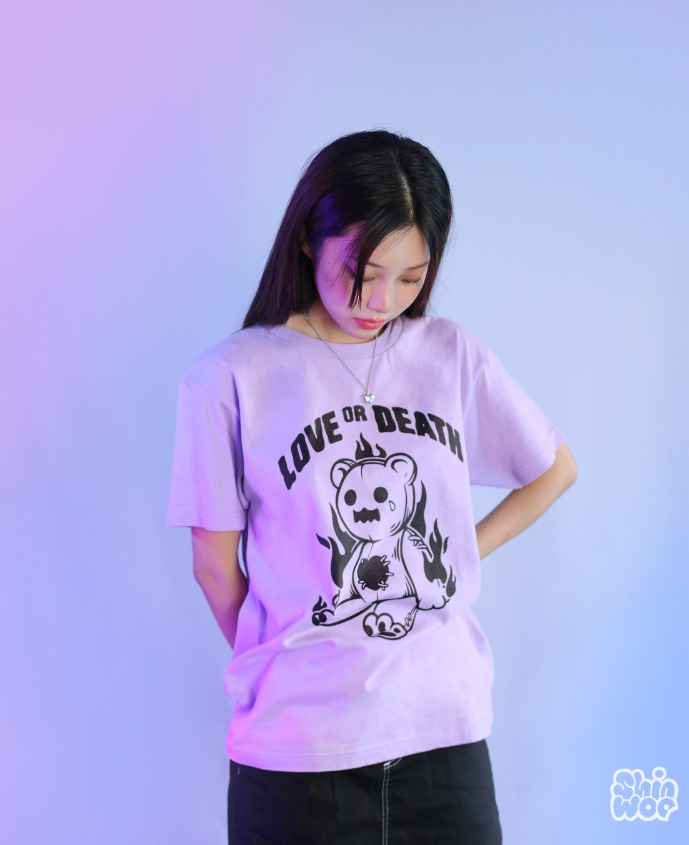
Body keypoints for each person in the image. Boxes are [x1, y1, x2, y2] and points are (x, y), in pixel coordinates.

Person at [166, 130, 577, 845]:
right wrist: (284, 656)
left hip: (443, 736)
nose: (381, 300)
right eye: (362, 271)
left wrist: (456, 554)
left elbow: (553, 468)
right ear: (307, 238)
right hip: (298, 756)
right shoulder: (230, 377)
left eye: (410, 277)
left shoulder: (450, 353)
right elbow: (214, 568)